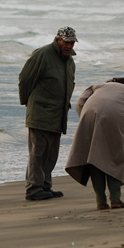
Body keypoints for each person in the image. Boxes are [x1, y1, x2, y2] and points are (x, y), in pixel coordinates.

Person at [64, 77, 124, 210]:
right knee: (115, 155)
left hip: (89, 111)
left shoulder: (99, 86)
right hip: (114, 115)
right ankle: (116, 199)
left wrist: (87, 120)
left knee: (93, 156)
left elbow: (80, 101)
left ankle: (101, 201)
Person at [18, 26, 77, 201]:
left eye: (72, 42)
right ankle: (33, 189)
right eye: (66, 42)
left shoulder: (70, 61)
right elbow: (25, 79)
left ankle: (44, 185)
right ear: (57, 40)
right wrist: (26, 101)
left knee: (51, 153)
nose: (69, 45)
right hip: (40, 112)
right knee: (38, 152)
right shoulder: (42, 54)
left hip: (58, 114)